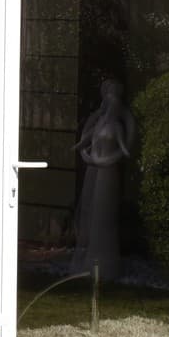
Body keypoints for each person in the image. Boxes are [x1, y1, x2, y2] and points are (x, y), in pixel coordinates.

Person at [70, 79, 136, 286]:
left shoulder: (118, 123)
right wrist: (88, 156)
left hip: (107, 168)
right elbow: (83, 141)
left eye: (114, 93)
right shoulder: (98, 121)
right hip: (95, 166)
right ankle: (82, 258)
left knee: (102, 211)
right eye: (108, 92)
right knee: (88, 208)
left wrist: (106, 159)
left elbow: (126, 148)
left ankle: (102, 264)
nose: (110, 98)